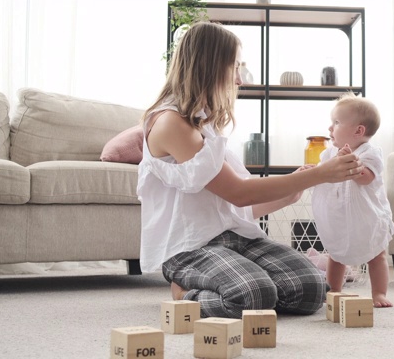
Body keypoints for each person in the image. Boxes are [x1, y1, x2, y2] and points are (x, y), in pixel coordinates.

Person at [136, 22, 364, 319]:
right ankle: (184, 291)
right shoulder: (170, 123)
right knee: (254, 296)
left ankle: (241, 284)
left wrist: (291, 192)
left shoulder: (206, 125)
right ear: (210, 65)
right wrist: (318, 174)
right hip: (191, 248)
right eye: (234, 67)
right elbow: (238, 193)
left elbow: (233, 208)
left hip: (236, 239)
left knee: (311, 289)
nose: (239, 79)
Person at [311, 92, 394, 308]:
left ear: (358, 131)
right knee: (336, 255)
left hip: (366, 218)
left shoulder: (370, 153)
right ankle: (334, 291)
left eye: (337, 122)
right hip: (340, 217)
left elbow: (366, 178)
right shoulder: (329, 153)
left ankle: (378, 293)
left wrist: (351, 162)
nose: (330, 128)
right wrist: (311, 170)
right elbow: (322, 173)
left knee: (377, 255)